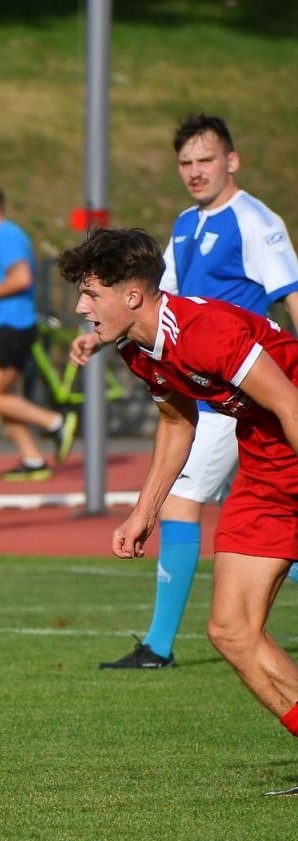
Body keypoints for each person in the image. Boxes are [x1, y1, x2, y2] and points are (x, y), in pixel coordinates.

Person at [59, 227, 298, 795]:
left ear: (133, 296)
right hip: (266, 462)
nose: (80, 306)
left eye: (91, 293)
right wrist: (144, 511)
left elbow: (289, 400)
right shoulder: (137, 349)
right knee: (232, 631)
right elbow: (176, 422)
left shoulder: (205, 329)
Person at [96, 114, 298, 670]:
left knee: (183, 503)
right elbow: (154, 309)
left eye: (205, 160)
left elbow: (290, 294)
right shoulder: (184, 225)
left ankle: (159, 645)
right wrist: (96, 338)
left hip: (250, 384)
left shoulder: (254, 220)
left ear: (231, 161)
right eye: (185, 163)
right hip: (211, 395)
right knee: (243, 518)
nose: (194, 172)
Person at [0, 186, 77, 481]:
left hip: (14, 326)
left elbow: (22, 277)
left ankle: (55, 421)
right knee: (0, 396)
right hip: (5, 326)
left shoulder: (6, 236)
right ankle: (32, 458)